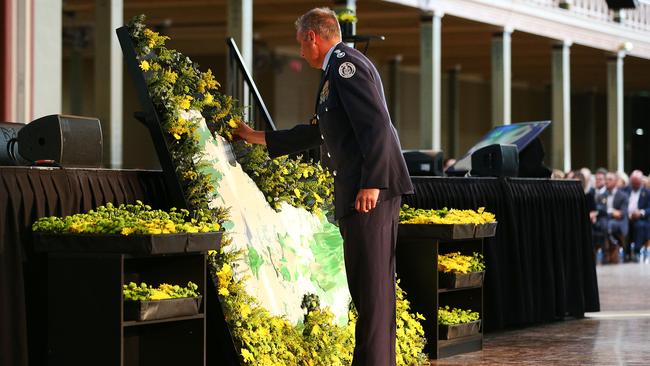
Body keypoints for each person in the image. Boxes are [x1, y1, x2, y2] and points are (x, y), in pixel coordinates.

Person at [234, 7, 413, 366]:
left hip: (369, 192)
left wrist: (373, 183)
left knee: (373, 290)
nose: (300, 51)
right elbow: (317, 131)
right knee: (366, 289)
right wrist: (256, 137)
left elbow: (377, 124)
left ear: (313, 37)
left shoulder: (347, 64)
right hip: (358, 189)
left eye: (301, 44)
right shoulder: (335, 69)